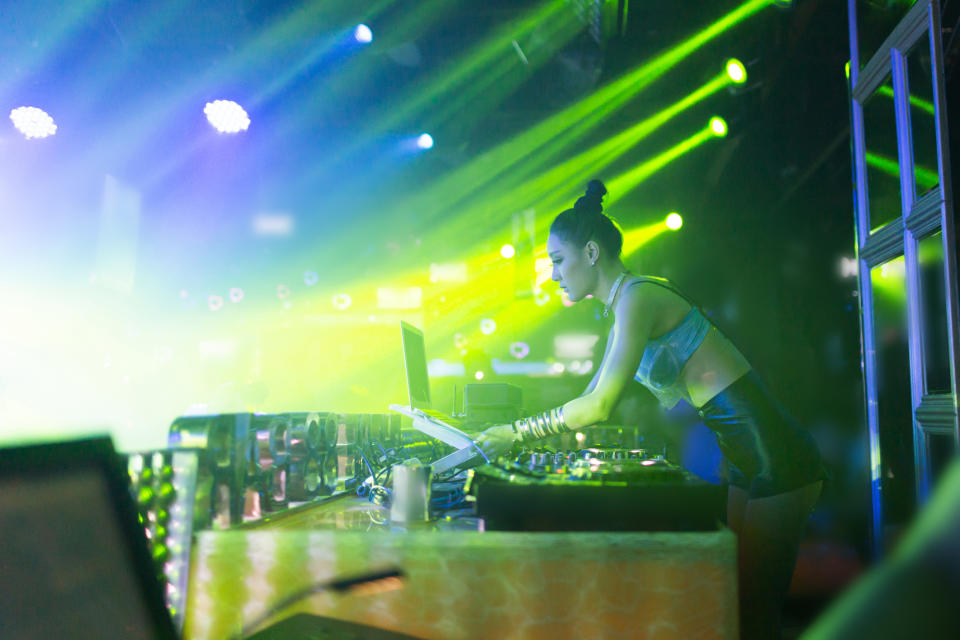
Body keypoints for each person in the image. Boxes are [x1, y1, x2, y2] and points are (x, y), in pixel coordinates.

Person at [474, 179, 826, 640]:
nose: (553, 274)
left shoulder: (637, 297)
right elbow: (591, 391)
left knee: (752, 620)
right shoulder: (625, 303)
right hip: (744, 459)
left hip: (777, 459)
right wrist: (521, 434)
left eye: (559, 261)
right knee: (731, 611)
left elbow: (598, 406)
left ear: (593, 253)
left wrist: (516, 433)